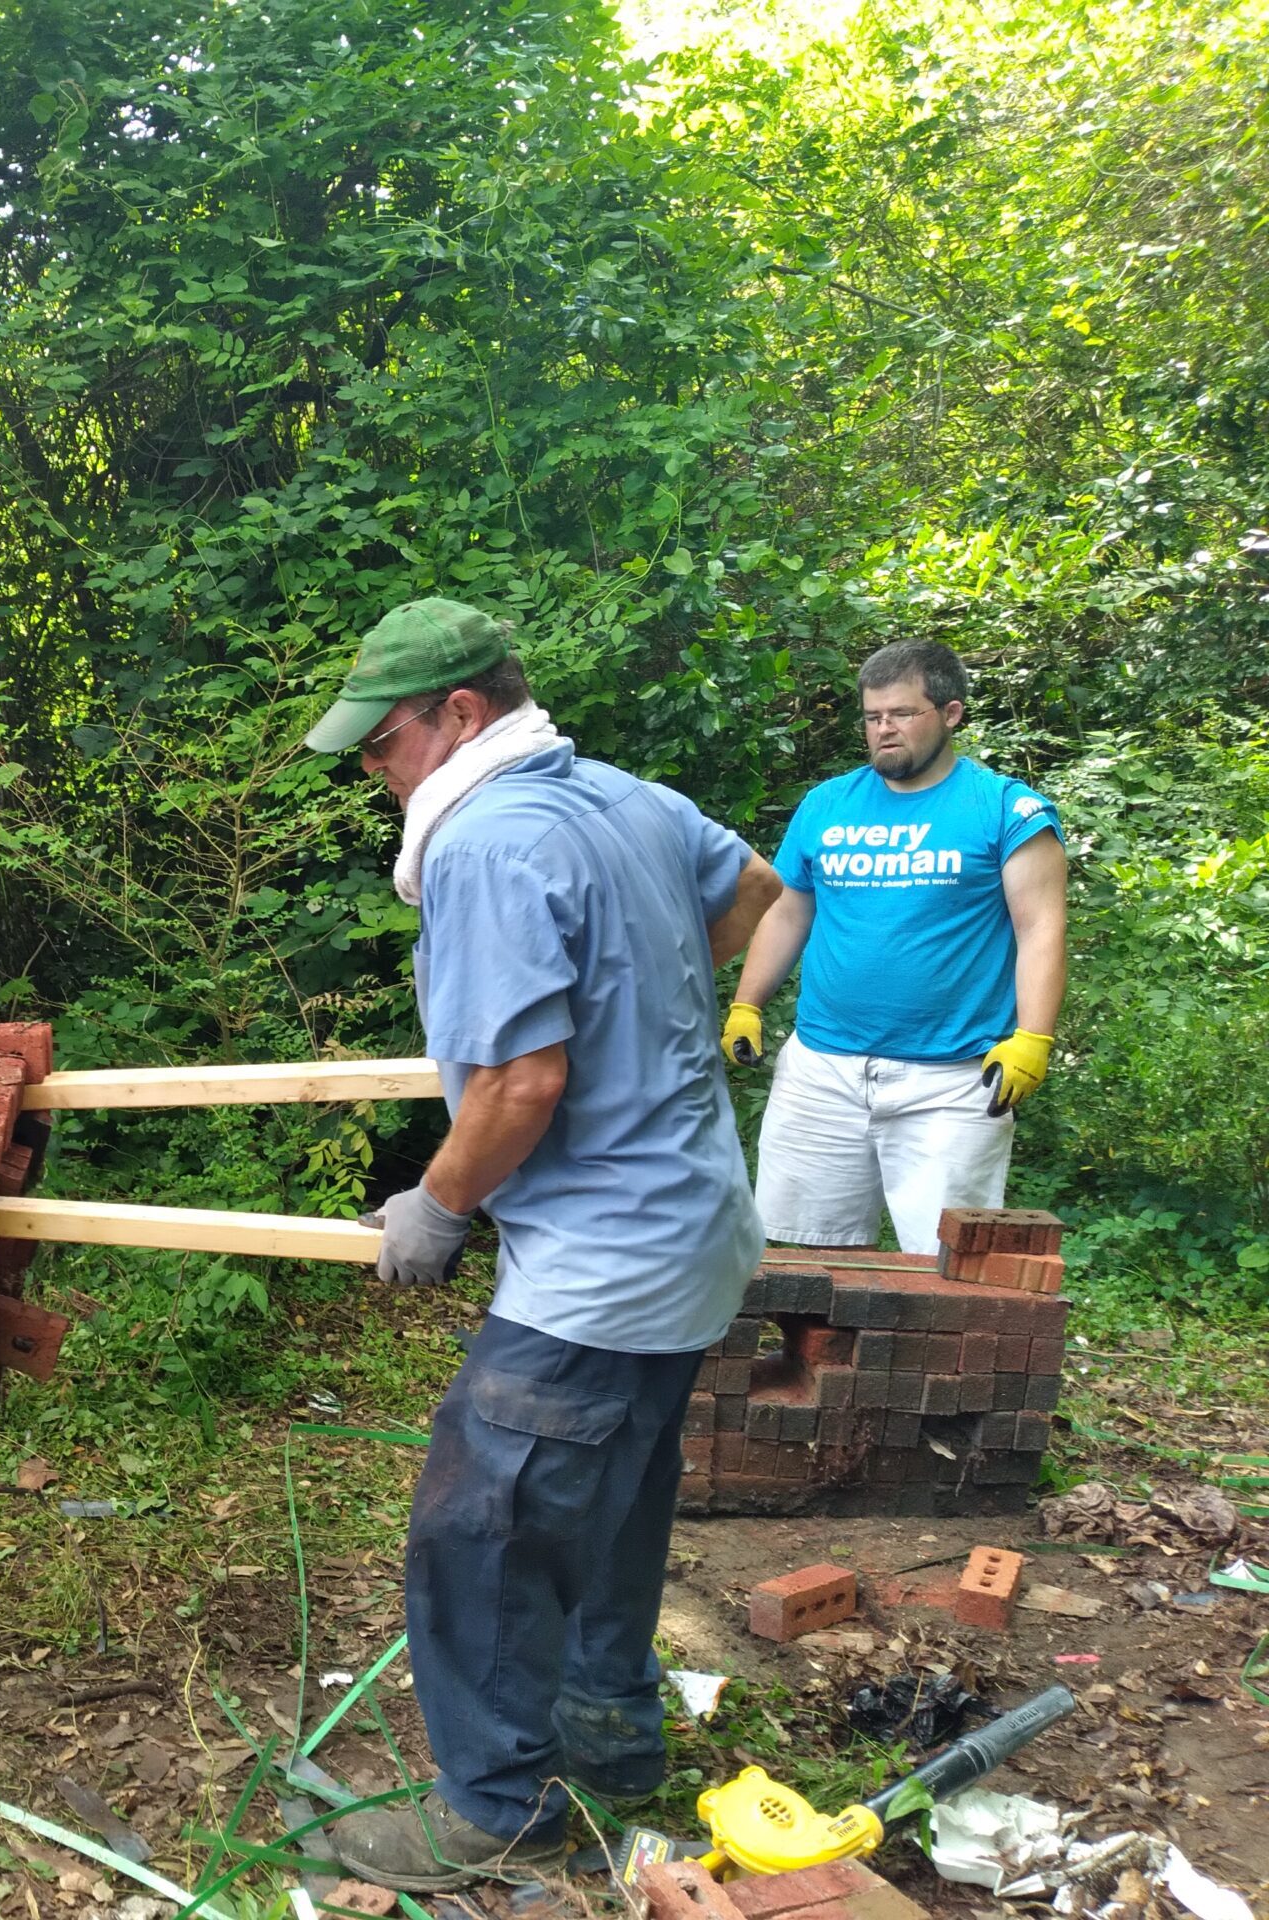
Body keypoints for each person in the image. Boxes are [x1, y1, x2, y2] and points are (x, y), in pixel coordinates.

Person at [298, 599, 780, 1891]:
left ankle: (501, 1809)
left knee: (485, 1531)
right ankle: (614, 1751)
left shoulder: (492, 844)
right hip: (694, 1235)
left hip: (602, 1262)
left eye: (382, 743)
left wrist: (439, 1209)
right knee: (614, 1507)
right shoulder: (628, 800)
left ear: (461, 714)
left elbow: (519, 1084)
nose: (371, 772)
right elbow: (756, 890)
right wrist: (665, 1006)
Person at [722, 640, 1066, 1255]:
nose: (884, 730)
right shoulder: (827, 804)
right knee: (800, 1257)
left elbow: (1040, 927)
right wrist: (746, 1003)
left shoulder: (1007, 809)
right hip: (821, 1072)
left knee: (948, 1266)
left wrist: (1033, 1038)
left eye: (903, 714)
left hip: (954, 1079)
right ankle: (813, 1358)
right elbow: (789, 910)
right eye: (873, 716)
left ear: (951, 713)